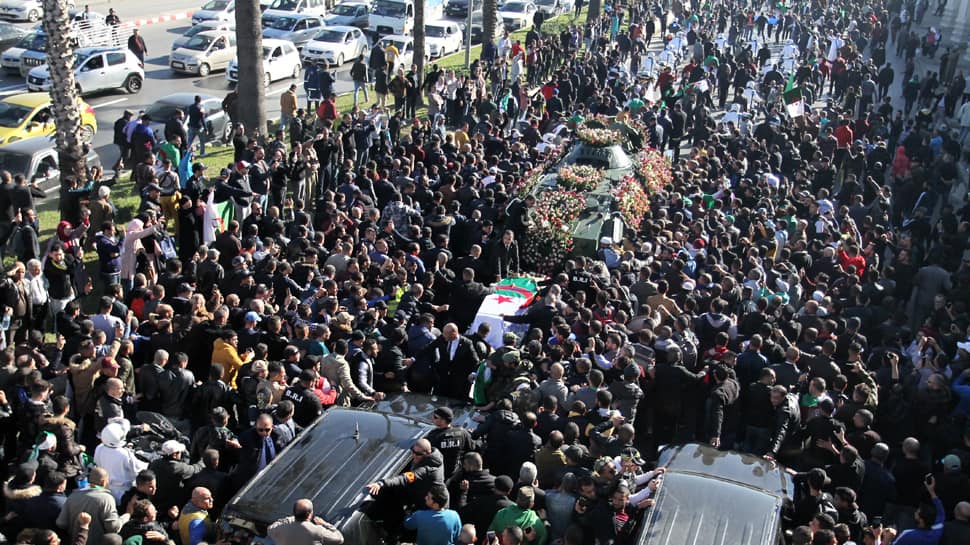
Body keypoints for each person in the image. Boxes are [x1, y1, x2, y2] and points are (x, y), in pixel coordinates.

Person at [56, 467, 123, 544]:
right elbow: (113, 528)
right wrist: (126, 516)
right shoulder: (106, 499)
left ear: (88, 480)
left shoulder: (72, 496)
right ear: (103, 482)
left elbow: (61, 523)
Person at [267, 498, 344, 545]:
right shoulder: (317, 530)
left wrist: (290, 519)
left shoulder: (280, 529)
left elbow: (270, 528)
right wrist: (324, 524)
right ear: (310, 514)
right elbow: (339, 539)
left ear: (294, 513)